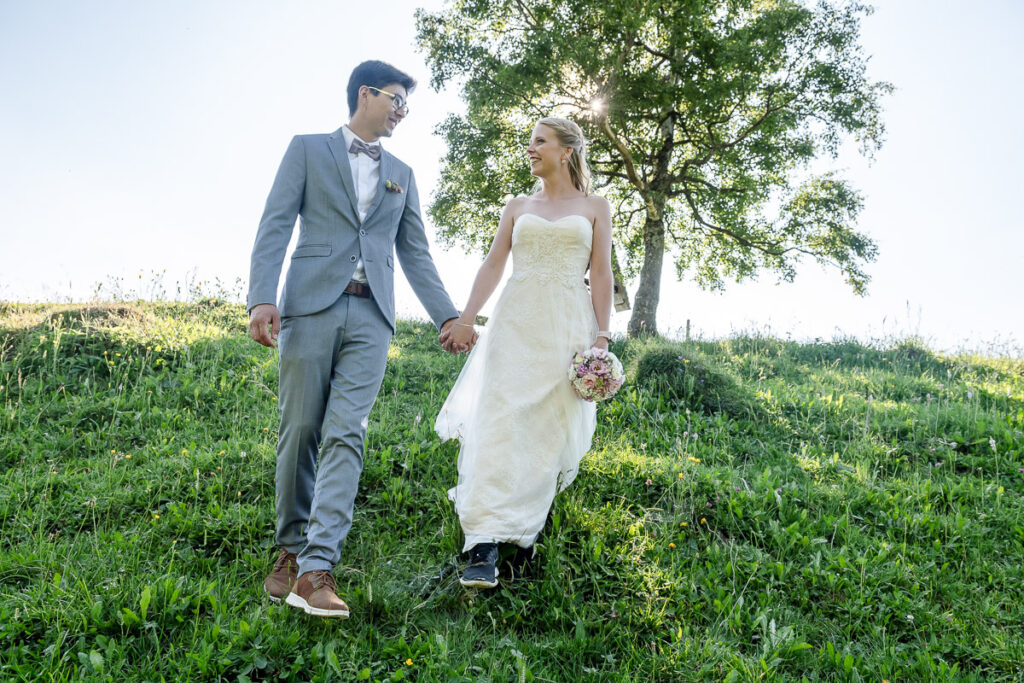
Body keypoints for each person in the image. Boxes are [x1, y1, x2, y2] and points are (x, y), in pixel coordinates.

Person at [247, 60, 472, 618]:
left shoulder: (402, 172)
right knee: (299, 429)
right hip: (309, 307)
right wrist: (260, 297)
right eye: (396, 100)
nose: (402, 112)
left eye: (406, 105)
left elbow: (414, 251)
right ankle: (290, 550)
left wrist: (447, 316)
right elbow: (274, 223)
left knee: (347, 433)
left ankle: (319, 567)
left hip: (372, 319)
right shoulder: (306, 149)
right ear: (365, 94)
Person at [435, 116, 613, 588]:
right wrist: (466, 316)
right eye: (530, 141)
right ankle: (483, 542)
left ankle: (523, 532)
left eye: (540, 141)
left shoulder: (596, 206)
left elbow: (601, 274)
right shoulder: (517, 205)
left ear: (566, 151)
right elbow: (494, 262)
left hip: (567, 327)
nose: (530, 148)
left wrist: (602, 339)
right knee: (500, 418)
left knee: (545, 427)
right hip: (515, 321)